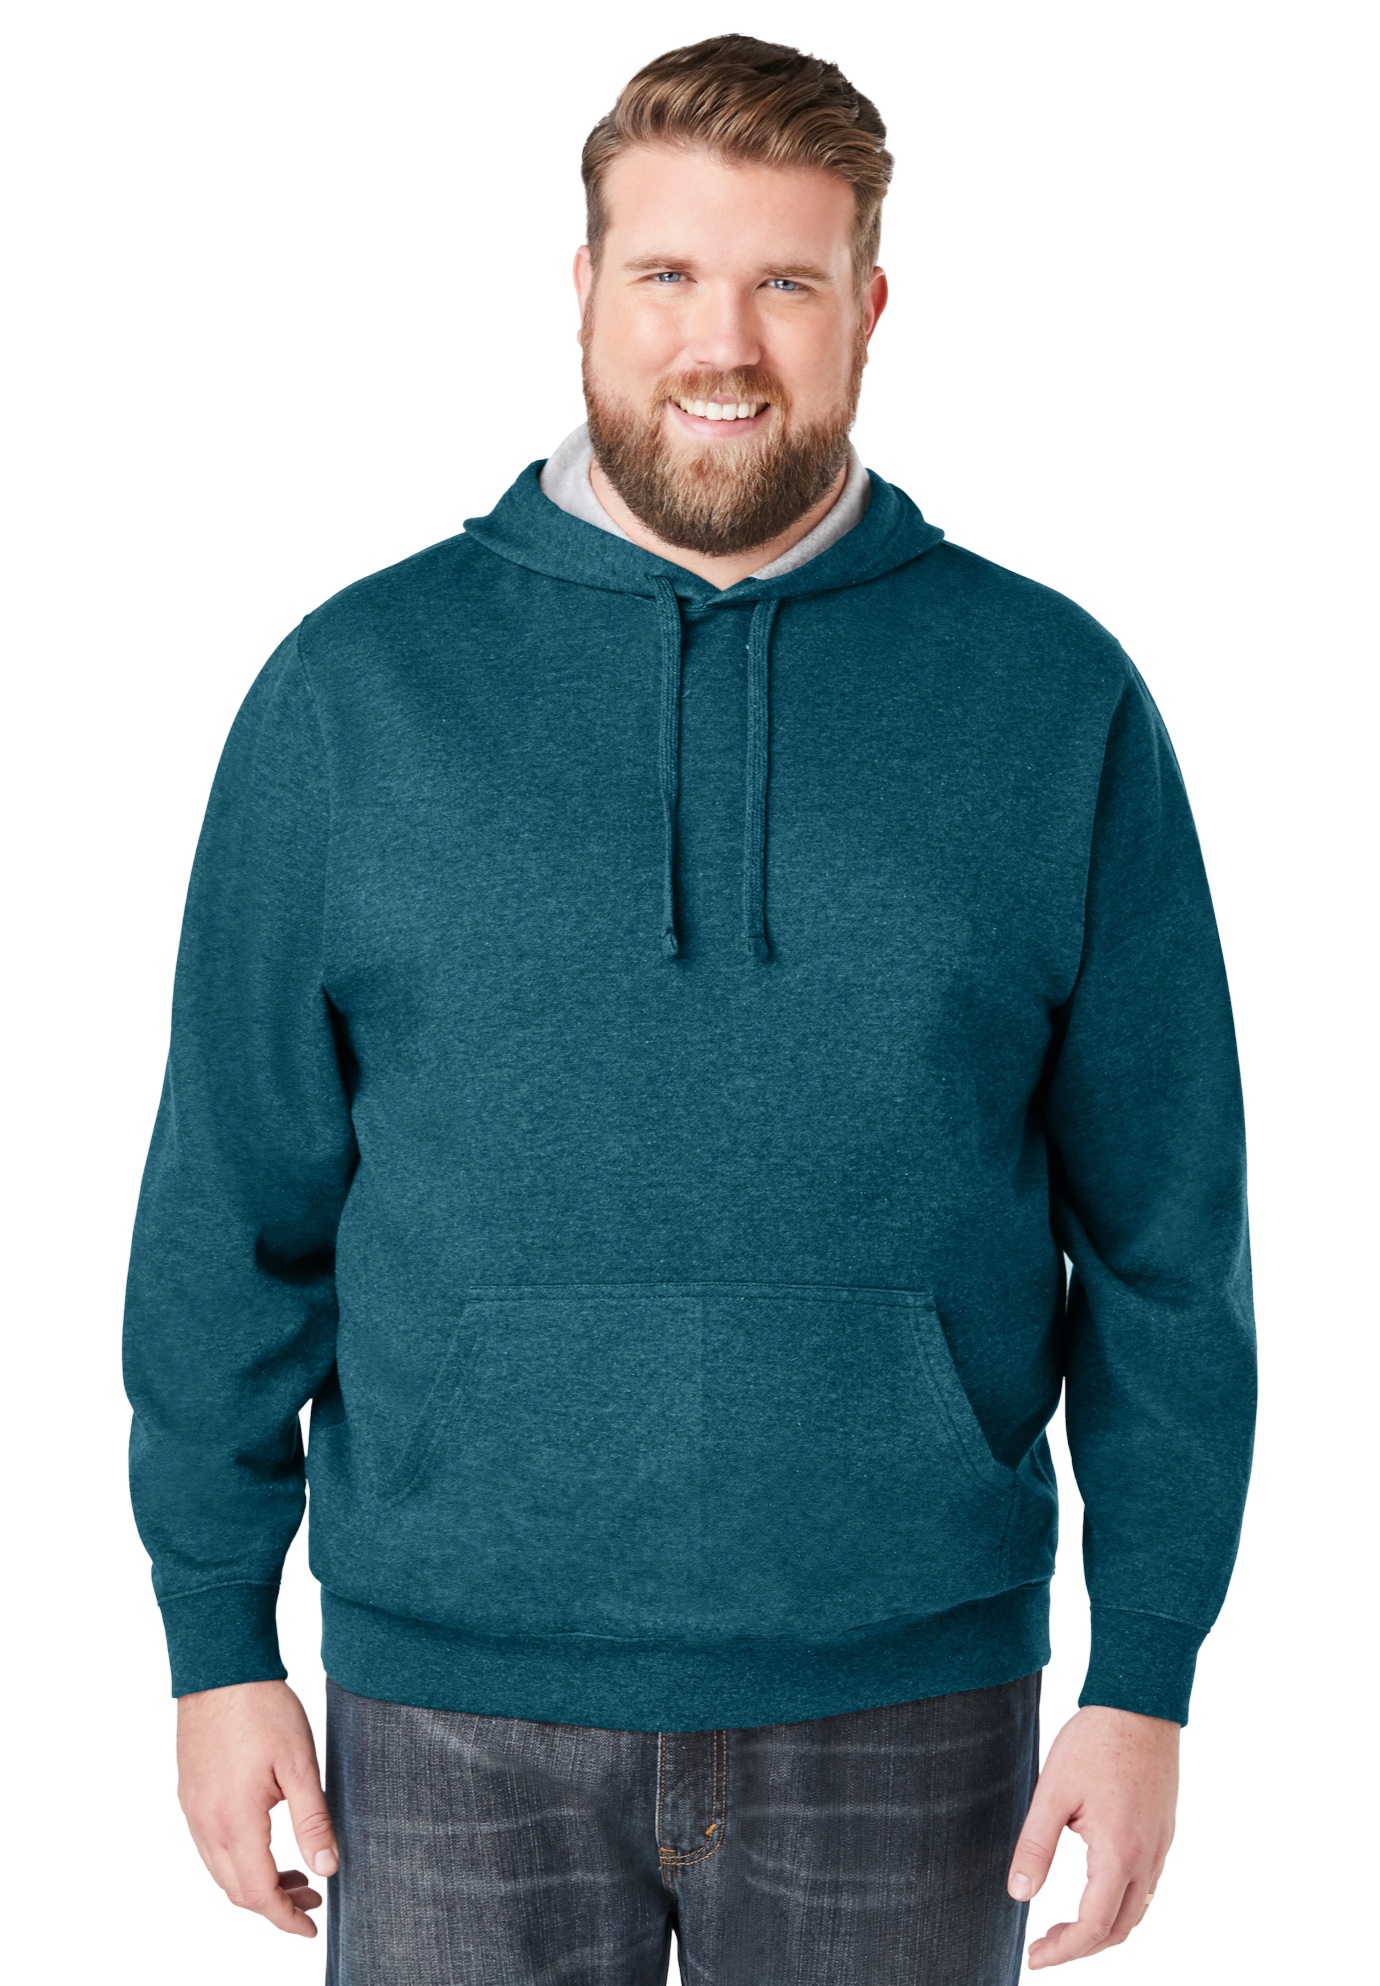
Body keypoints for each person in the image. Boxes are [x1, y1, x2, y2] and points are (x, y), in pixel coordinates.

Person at [123, 34, 1256, 1985]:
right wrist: (214, 1640)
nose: (720, 344)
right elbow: (230, 1209)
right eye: (667, 275)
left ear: (869, 309)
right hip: (450, 1702)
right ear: (583, 290)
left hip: (908, 1699)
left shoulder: (1051, 699)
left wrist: (1146, 1670)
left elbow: (1168, 1242)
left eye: (784, 282)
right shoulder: (354, 695)